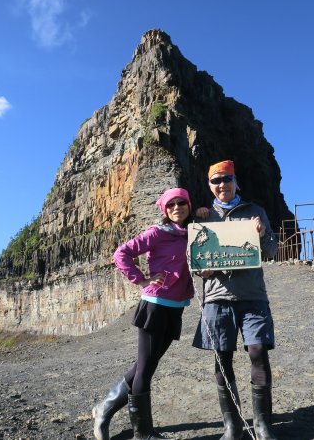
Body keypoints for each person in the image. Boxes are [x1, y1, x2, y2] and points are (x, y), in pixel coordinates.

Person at [92, 188, 194, 440]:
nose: (177, 208)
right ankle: (143, 433)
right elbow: (122, 253)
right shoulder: (158, 232)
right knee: (146, 368)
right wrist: (142, 279)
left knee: (145, 364)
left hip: (176, 307)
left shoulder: (190, 233)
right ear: (164, 210)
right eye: (171, 205)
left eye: (182, 203)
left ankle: (105, 407)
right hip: (155, 305)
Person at [193, 160, 278, 440]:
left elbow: (272, 251)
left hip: (253, 296)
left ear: (236, 181)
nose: (222, 185)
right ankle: (233, 425)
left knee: (257, 352)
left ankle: (263, 425)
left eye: (226, 179)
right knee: (222, 359)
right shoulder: (202, 217)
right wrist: (199, 269)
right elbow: (195, 260)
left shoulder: (255, 212)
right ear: (210, 186)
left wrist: (263, 234)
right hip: (216, 297)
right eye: (215, 181)